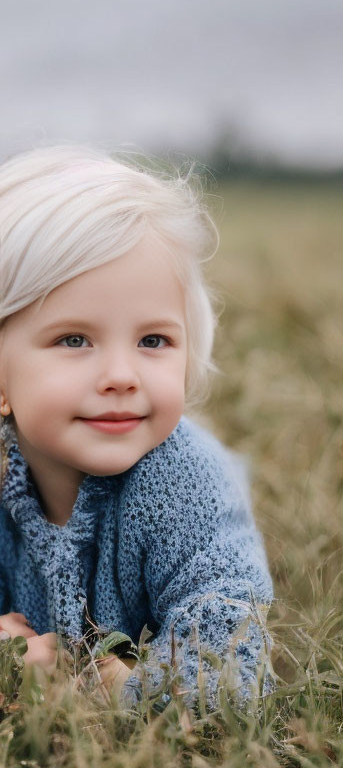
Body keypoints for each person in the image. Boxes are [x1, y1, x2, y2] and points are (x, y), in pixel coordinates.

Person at [0, 145, 274, 712]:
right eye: (74, 340)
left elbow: (232, 667)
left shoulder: (183, 486)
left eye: (153, 341)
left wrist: (127, 694)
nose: (122, 376)